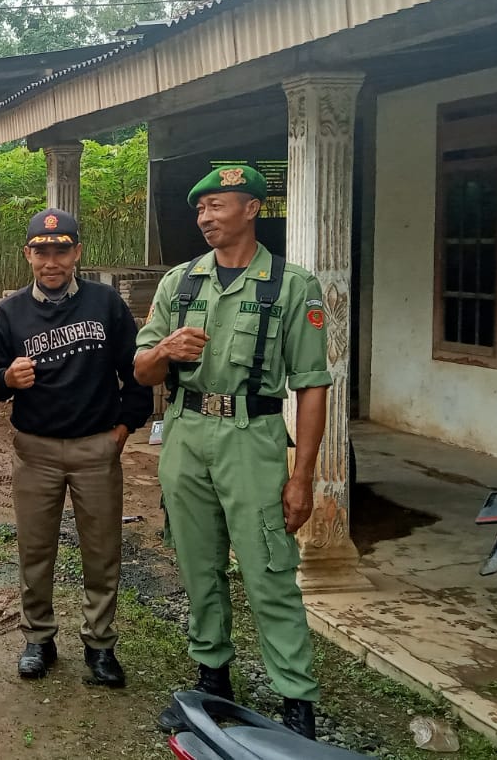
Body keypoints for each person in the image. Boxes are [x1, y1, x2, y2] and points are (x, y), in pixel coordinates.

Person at [133, 164, 331, 739]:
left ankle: (296, 700)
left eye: (217, 205)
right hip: (187, 434)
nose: (205, 217)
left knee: (270, 569)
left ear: (252, 209)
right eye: (200, 209)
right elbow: (142, 370)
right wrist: (165, 348)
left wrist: (303, 475)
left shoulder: (292, 286)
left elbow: (312, 384)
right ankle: (213, 674)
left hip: (254, 436)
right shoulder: (180, 284)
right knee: (198, 564)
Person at [0, 209, 153, 689]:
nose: (51, 260)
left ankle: (100, 644)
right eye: (41, 251)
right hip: (35, 450)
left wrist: (123, 429)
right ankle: (39, 638)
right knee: (36, 550)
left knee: (102, 552)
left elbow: (135, 371)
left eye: (61, 250)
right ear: (28, 254)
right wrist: (6, 378)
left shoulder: (105, 304)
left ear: (76, 252)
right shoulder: (10, 312)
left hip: (97, 446)